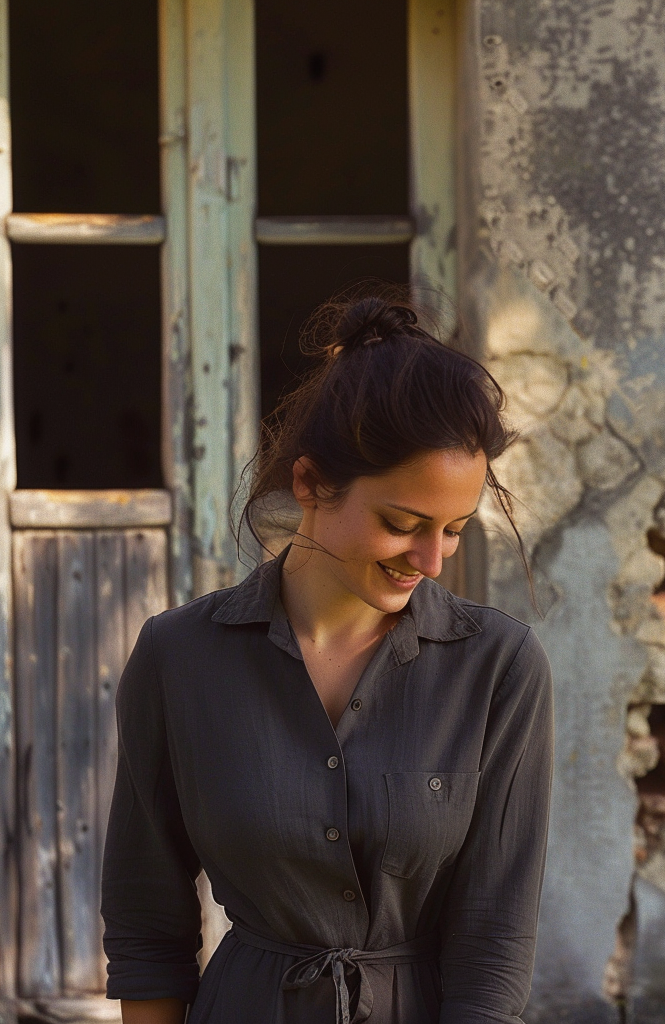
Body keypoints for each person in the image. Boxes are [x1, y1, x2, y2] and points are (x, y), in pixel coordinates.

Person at [100, 295, 555, 1024]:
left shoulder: (498, 667)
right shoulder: (179, 657)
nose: (431, 561)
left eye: (455, 530)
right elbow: (146, 921)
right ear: (310, 485)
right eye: (401, 525)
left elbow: (494, 937)